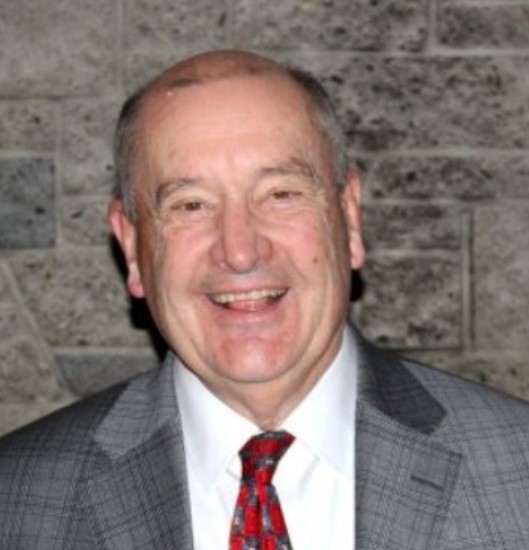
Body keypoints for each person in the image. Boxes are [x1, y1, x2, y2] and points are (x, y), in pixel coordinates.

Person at [1, 49, 529, 550]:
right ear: (133, 247)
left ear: (348, 218)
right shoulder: (16, 505)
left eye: (281, 194)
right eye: (190, 205)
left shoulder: (517, 470)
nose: (239, 251)